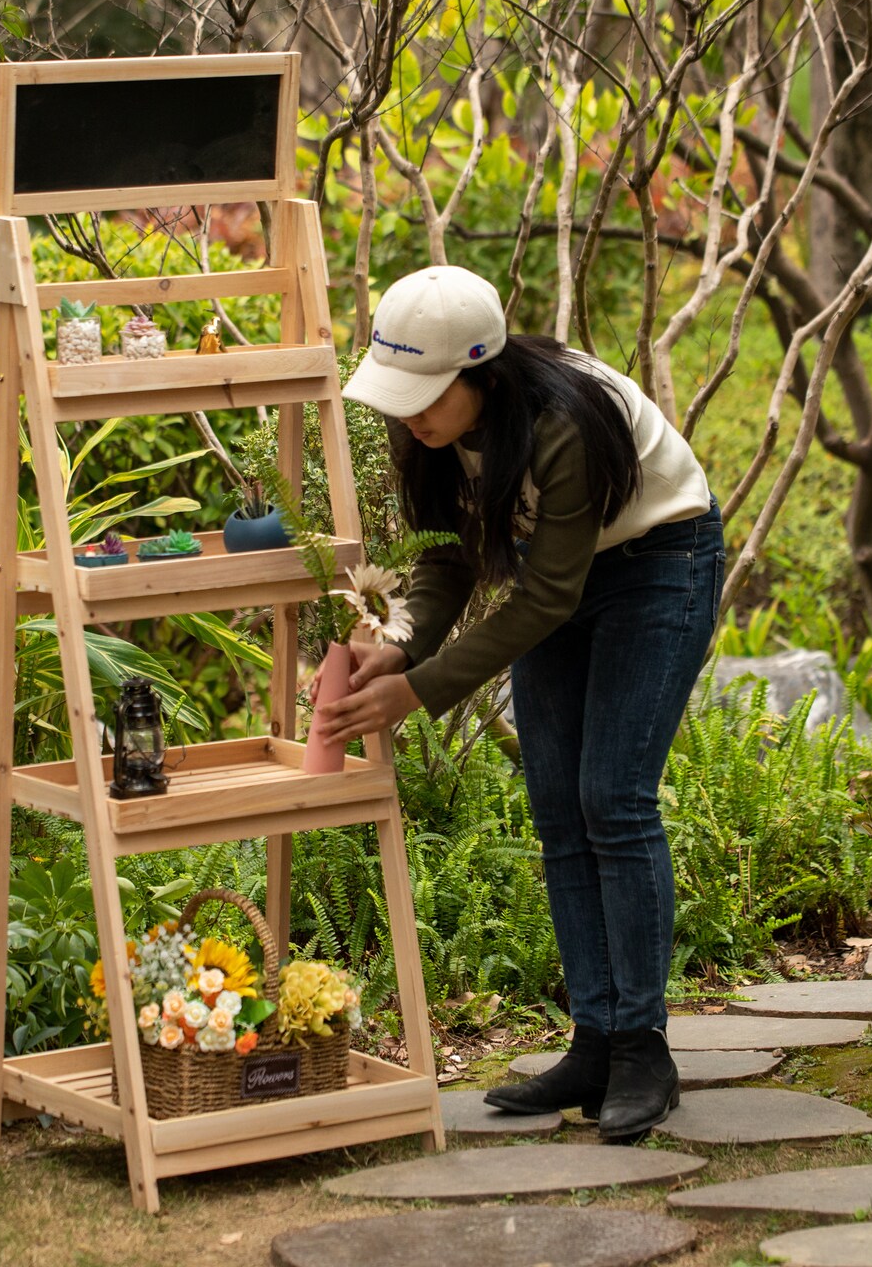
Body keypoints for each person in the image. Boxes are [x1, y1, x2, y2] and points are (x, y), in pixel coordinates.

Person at [313, 264, 724, 1140]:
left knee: (612, 798)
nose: (411, 412)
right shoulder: (428, 438)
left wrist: (416, 692)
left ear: (484, 376)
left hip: (660, 565)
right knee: (556, 810)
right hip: (562, 583)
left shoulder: (562, 426)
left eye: (428, 393)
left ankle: (643, 1049)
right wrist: (397, 642)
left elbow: (545, 601)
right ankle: (595, 1041)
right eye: (401, 393)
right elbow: (448, 560)